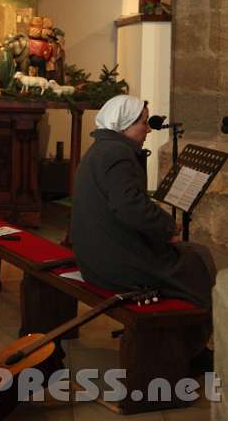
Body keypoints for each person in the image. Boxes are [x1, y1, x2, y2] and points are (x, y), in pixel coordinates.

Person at [71, 94, 216, 373]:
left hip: (96, 254)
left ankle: (184, 342)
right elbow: (130, 207)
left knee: (192, 257)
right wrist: (166, 227)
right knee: (198, 261)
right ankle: (190, 351)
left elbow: (124, 205)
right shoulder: (117, 154)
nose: (148, 129)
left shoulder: (103, 148)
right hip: (113, 263)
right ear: (124, 124)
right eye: (143, 122)